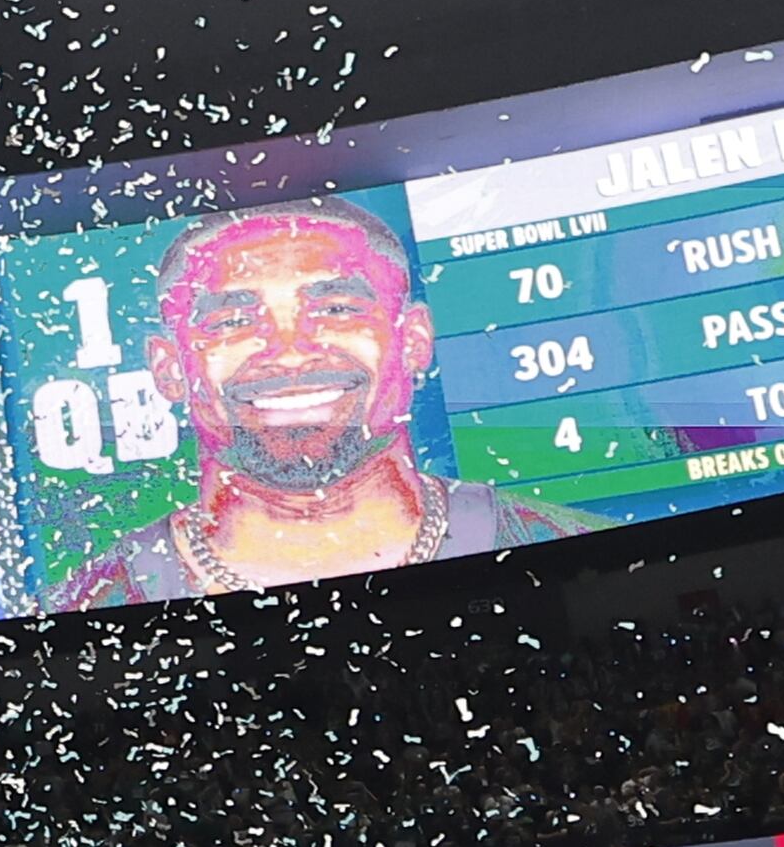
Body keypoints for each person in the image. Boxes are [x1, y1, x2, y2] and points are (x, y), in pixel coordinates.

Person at [68, 200, 602, 603]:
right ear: (169, 368)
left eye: (337, 310)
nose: (291, 353)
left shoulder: (575, 546)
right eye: (232, 322)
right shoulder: (83, 603)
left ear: (413, 339)